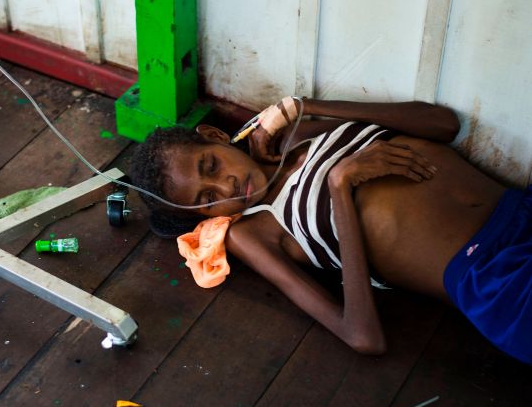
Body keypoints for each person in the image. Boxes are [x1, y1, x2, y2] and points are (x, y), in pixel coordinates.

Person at [128, 98, 531, 364]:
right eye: (209, 201)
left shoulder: (297, 134)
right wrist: (340, 185)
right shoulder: (253, 231)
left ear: (216, 137)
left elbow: (444, 124)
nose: (226, 188)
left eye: (211, 167)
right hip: (497, 279)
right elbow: (362, 336)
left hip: (519, 205)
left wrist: (300, 106)